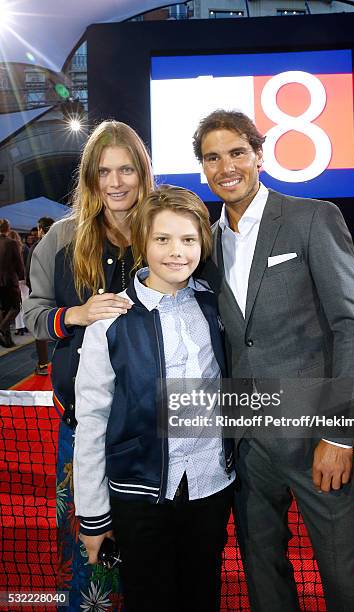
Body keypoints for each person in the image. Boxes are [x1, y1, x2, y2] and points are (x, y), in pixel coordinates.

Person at [193, 110, 354, 611]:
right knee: (263, 575)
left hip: (316, 436)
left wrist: (339, 434)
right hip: (248, 445)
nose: (225, 166)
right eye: (212, 157)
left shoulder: (312, 218)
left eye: (236, 152)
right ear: (202, 168)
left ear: (259, 154)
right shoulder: (204, 242)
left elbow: (351, 324)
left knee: (344, 583)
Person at [73, 185, 234, 612]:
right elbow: (91, 421)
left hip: (211, 489)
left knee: (203, 597)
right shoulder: (110, 322)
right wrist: (92, 516)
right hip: (139, 496)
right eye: (162, 239)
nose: (176, 251)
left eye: (188, 239)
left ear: (203, 242)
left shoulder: (216, 307)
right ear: (143, 241)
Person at [23, 120, 154, 611]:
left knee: (147, 555)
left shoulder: (161, 231)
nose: (116, 182)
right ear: (90, 178)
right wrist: (75, 314)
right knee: (89, 556)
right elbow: (33, 315)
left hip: (153, 428)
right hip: (83, 427)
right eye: (104, 171)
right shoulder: (60, 237)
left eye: (126, 170)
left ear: (143, 174)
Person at [25, 216, 55, 374]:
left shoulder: (37, 246)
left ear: (41, 229)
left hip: (42, 295)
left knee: (41, 327)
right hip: (62, 295)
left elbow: (29, 272)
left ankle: (43, 364)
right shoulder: (63, 244)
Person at [0, 218, 24, 348]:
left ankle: (7, 341)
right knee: (15, 307)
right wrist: (22, 277)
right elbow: (19, 263)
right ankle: (2, 328)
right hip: (9, 282)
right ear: (7, 228)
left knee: (4, 310)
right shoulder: (11, 243)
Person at [8, 229, 29, 336]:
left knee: (17, 305)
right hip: (24, 279)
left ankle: (20, 327)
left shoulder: (8, 248)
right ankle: (27, 325)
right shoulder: (24, 248)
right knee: (25, 303)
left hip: (13, 280)